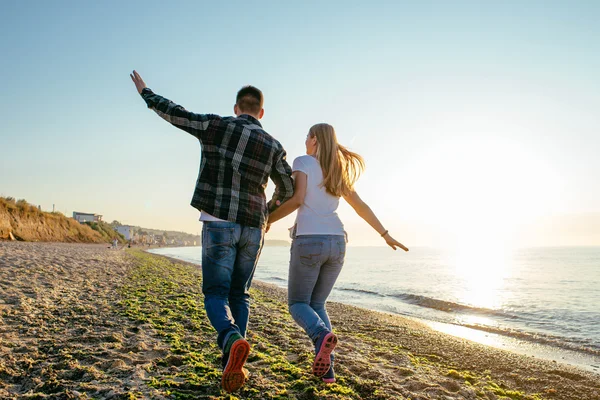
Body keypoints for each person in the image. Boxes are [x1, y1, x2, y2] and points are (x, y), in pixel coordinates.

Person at [130, 71, 294, 392]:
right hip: (253, 230)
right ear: (261, 112)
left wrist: (146, 93)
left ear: (237, 108)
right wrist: (267, 211)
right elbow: (288, 187)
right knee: (240, 295)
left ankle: (230, 338)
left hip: (218, 222)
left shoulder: (216, 125)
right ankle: (231, 362)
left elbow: (175, 113)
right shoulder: (273, 145)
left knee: (215, 294)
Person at [267, 123, 408, 383]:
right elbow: (360, 206)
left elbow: (297, 200)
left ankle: (321, 337)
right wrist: (384, 234)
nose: (305, 141)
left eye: (307, 136)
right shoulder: (336, 170)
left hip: (309, 241)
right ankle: (328, 370)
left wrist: (269, 220)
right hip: (338, 243)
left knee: (298, 304)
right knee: (317, 304)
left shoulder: (303, 162)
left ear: (315, 140)